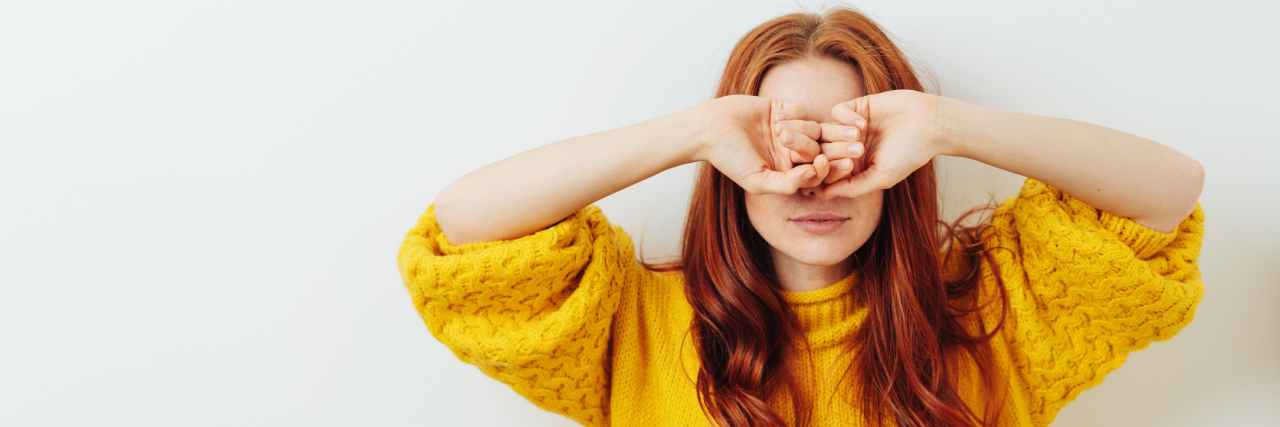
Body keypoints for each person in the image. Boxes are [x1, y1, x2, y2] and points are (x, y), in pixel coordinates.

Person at [397, 7, 1204, 427]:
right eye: (784, 144)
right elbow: (466, 228)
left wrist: (946, 125)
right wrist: (692, 132)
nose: (816, 181)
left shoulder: (995, 309)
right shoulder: (632, 322)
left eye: (850, 142)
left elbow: (1170, 190)